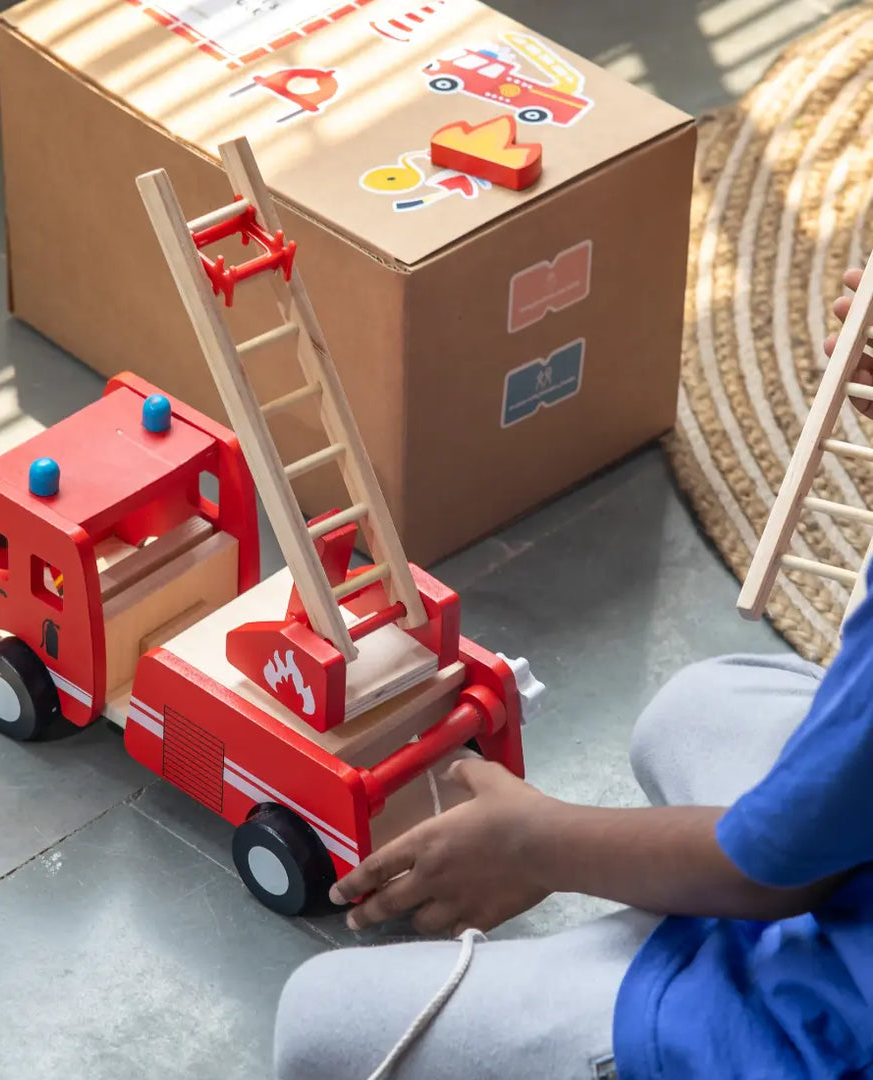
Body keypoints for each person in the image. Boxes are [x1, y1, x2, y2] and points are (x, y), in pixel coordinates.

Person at [273, 267, 873, 1080]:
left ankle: (654, 989)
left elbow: (776, 869)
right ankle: (650, 930)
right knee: (699, 707)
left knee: (317, 1020)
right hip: (827, 881)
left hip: (824, 1024)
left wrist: (537, 843)